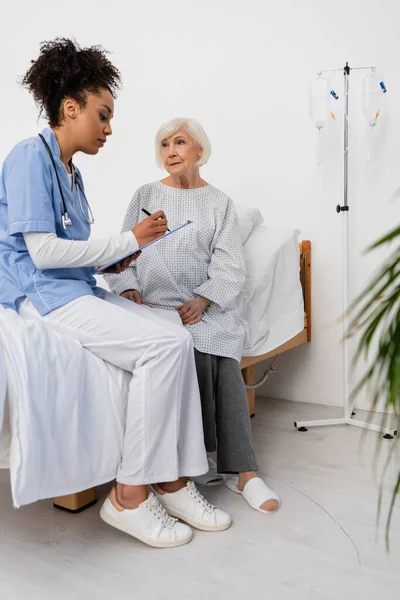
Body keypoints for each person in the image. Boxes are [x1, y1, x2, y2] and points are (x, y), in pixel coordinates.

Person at [0, 40, 232, 548]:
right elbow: (41, 253)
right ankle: (128, 496)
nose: (109, 128)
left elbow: (74, 249)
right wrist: (132, 239)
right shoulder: (27, 158)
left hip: (75, 286)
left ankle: (170, 480)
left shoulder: (71, 172)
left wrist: (114, 260)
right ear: (70, 108)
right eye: (102, 115)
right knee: (158, 347)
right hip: (45, 296)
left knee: (174, 336)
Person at [106, 118, 280, 514]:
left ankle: (243, 473)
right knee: (183, 345)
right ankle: (196, 459)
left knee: (216, 347)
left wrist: (203, 300)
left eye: (180, 142)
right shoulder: (145, 194)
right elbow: (123, 250)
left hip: (200, 306)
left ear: (199, 150)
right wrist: (126, 287)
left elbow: (230, 265)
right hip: (150, 303)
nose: (170, 151)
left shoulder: (219, 203)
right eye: (164, 144)